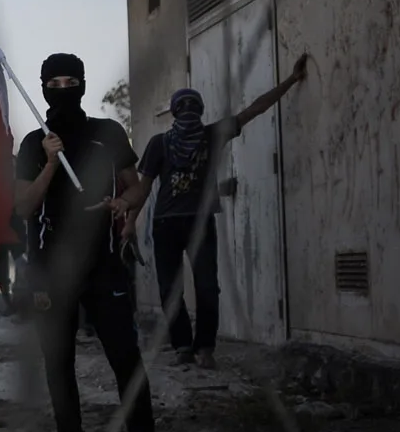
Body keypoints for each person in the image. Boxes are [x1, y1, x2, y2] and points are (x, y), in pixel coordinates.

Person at [16, 53, 178, 432]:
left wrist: (130, 204)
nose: (64, 88)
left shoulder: (108, 133)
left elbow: (138, 181)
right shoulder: (34, 143)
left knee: (126, 358)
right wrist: (51, 163)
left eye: (72, 80)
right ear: (44, 86)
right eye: (55, 81)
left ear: (83, 85)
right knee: (58, 363)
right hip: (51, 270)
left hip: (104, 265)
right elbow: (24, 206)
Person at [123, 56, 308, 369]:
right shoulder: (159, 144)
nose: (189, 114)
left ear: (201, 112)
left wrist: (290, 81)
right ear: (175, 113)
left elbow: (256, 108)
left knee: (208, 285)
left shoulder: (213, 135)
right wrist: (129, 222)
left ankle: (204, 347)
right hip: (165, 224)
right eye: (184, 109)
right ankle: (183, 344)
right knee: (170, 288)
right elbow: (143, 189)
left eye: (193, 108)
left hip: (200, 222)